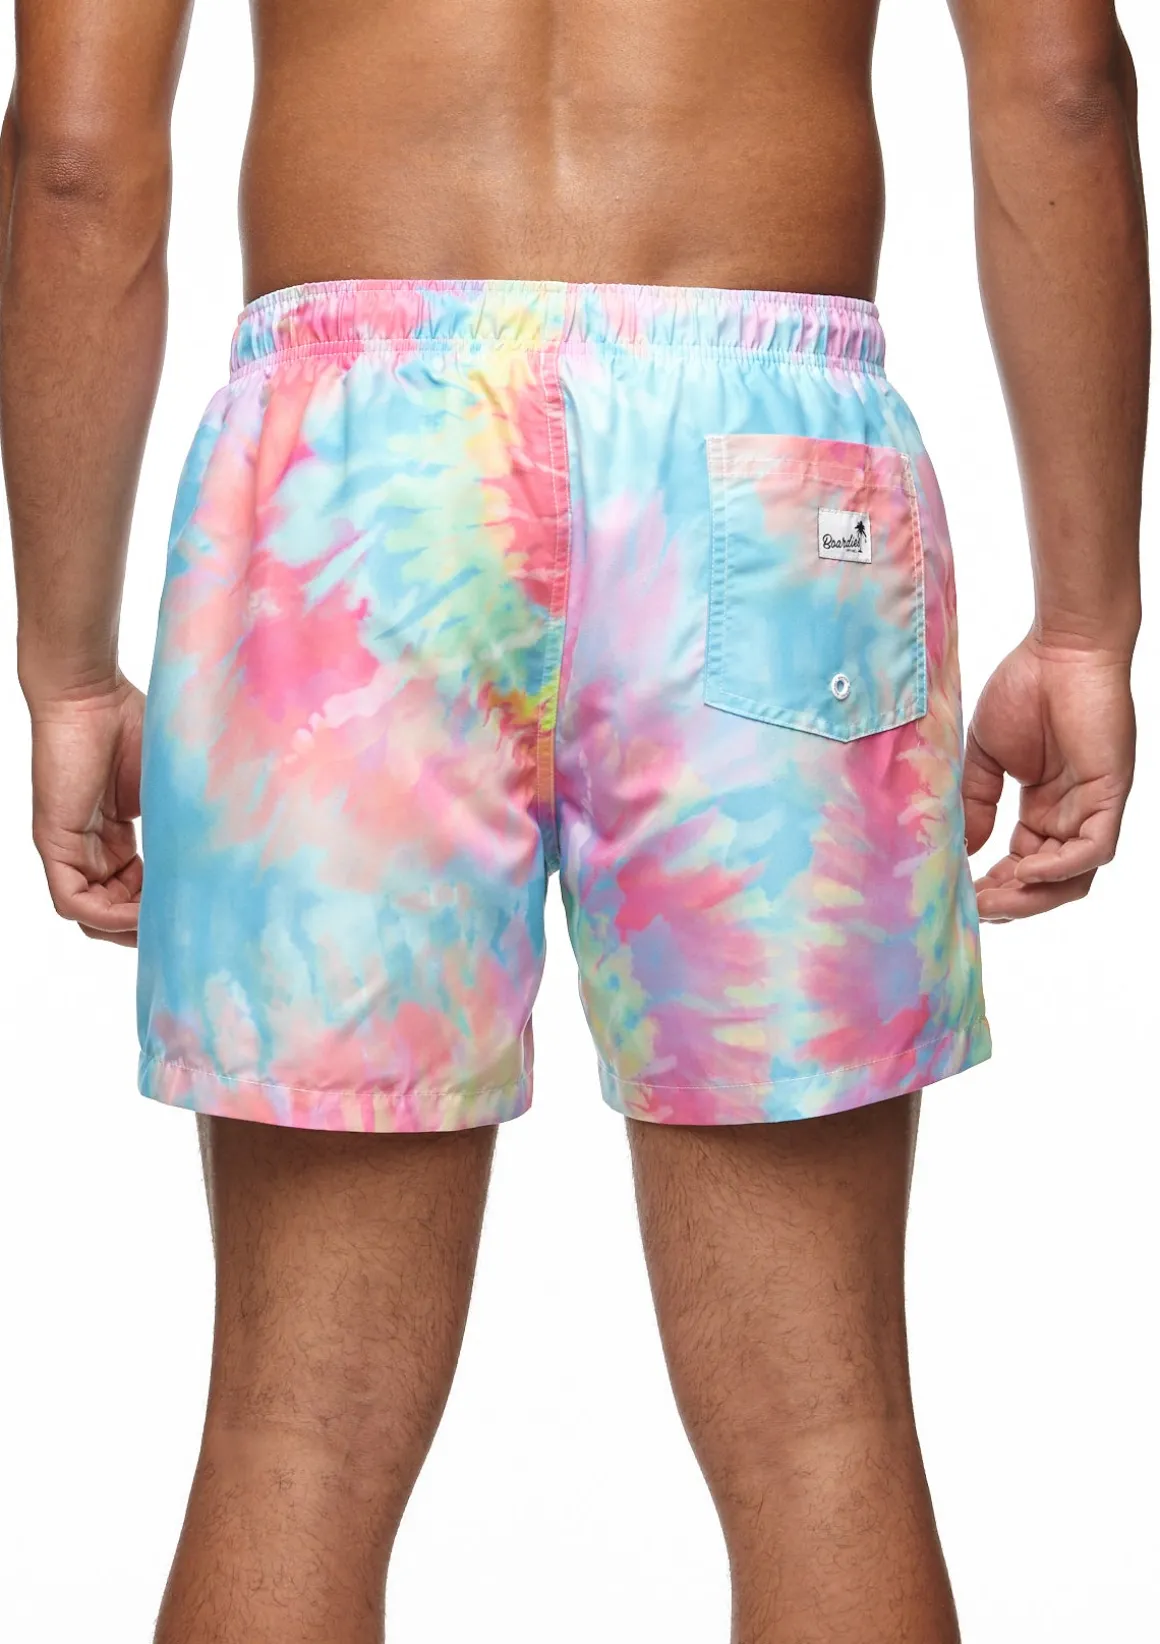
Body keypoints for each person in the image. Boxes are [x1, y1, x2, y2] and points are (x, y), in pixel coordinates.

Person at [0, 0, 1145, 1639]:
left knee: (291, 1437)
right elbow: (1065, 86)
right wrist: (1089, 627)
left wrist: (64, 671)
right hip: (772, 461)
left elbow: (74, 158)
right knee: (823, 1434)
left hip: (353, 488)